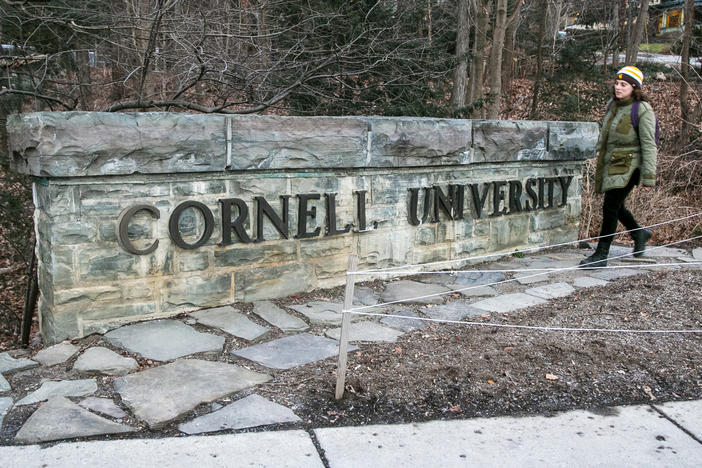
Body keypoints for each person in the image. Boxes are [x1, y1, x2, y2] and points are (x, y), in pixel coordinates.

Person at [579, 65, 657, 268]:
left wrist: (649, 176)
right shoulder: (613, 105)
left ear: (634, 87)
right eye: (617, 83)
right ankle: (639, 233)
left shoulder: (642, 109)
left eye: (624, 84)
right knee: (616, 205)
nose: (618, 87)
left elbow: (649, 144)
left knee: (610, 205)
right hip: (612, 163)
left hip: (630, 166)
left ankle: (601, 254)